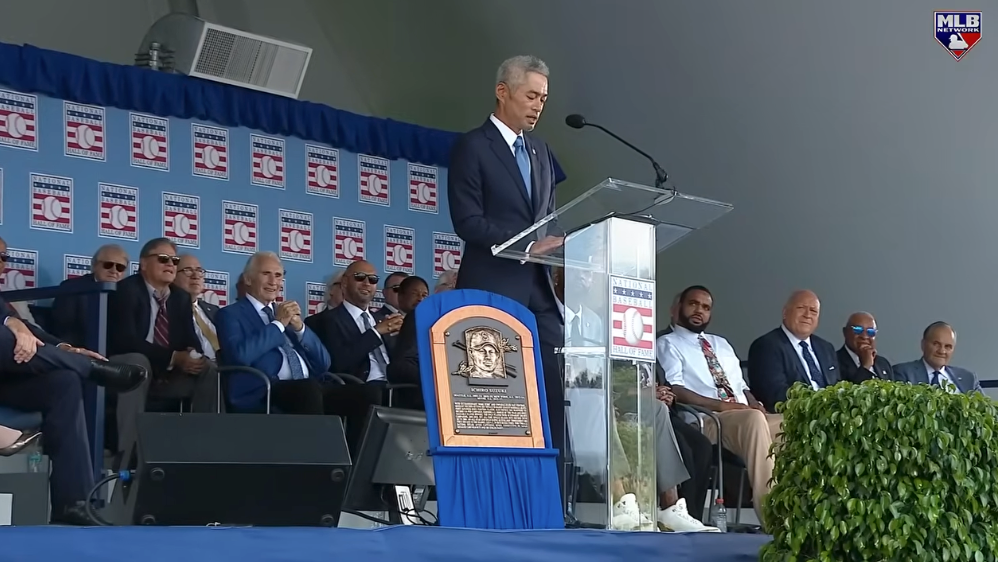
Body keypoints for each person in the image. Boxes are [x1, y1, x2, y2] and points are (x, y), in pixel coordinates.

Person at [447, 54, 567, 493]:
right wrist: (527, 245)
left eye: (544, 99)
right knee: (495, 398)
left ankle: (552, 496)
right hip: (492, 288)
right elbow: (467, 221)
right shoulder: (473, 146)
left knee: (552, 393)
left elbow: (548, 217)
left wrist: (562, 244)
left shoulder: (541, 151)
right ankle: (491, 494)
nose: (538, 106)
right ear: (503, 92)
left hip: (538, 290)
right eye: (531, 95)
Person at [746, 290, 840, 411]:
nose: (807, 315)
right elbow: (775, 395)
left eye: (813, 311)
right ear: (785, 312)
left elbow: (837, 386)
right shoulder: (766, 346)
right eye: (801, 308)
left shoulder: (826, 348)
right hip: (794, 416)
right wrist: (818, 407)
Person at [893, 321, 981, 394]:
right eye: (936, 344)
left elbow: (984, 408)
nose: (942, 351)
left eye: (948, 346)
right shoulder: (903, 373)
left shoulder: (968, 378)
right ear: (923, 344)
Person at [837, 312, 894, 383]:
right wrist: (866, 366)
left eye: (870, 332)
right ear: (845, 332)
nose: (864, 336)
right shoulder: (834, 362)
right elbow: (848, 390)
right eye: (858, 330)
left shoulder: (883, 363)